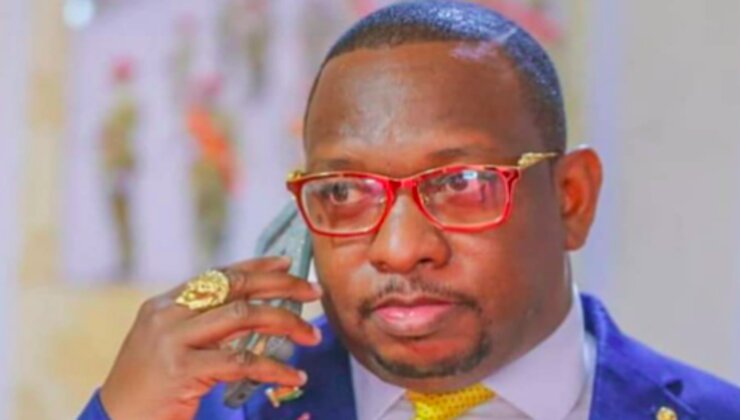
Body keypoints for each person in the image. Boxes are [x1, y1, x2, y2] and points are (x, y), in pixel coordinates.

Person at [80, 1, 740, 419]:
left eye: (461, 183)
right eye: (344, 192)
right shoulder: (211, 414)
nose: (398, 249)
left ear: (571, 199)